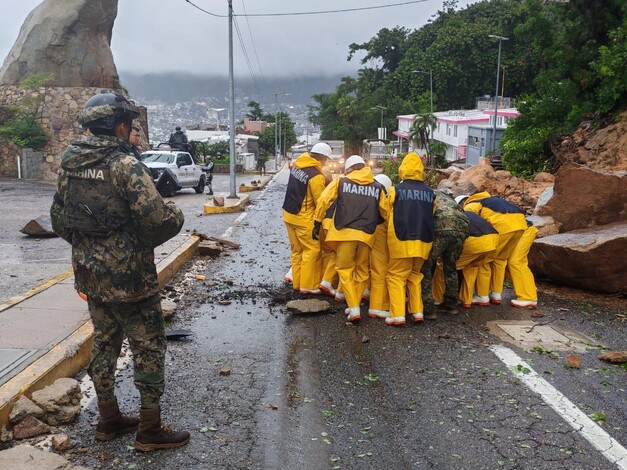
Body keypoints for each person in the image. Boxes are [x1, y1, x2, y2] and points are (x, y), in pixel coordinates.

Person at [50, 92, 190, 452]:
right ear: (118, 126)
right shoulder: (125, 166)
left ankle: (109, 418)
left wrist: (91, 248)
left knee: (104, 342)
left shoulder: (71, 164)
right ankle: (150, 429)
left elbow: (60, 220)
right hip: (131, 281)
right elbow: (157, 222)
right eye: (129, 125)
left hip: (91, 277)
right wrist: (175, 215)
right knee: (148, 346)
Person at [313, 155, 388, 322]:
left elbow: (324, 199)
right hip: (367, 235)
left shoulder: (341, 182)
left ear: (349, 169)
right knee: (362, 271)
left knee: (345, 269)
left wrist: (317, 222)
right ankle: (354, 304)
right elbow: (386, 212)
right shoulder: (377, 187)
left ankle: (354, 308)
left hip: (345, 233)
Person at [385, 152, 436, 326]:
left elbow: (385, 213)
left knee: (396, 276)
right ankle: (417, 312)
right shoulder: (430, 193)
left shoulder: (395, 190)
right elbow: (433, 213)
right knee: (415, 276)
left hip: (401, 240)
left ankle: (398, 315)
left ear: (402, 169)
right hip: (424, 242)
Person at [458, 192, 527, 306]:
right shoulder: (491, 200)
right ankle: (496, 293)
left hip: (501, 226)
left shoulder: (471, 204)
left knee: (484, 260)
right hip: (521, 225)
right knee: (500, 260)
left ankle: (482, 295)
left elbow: (470, 222)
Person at [282, 142, 332, 294]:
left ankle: (297, 283)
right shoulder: (316, 176)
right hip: (303, 218)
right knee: (312, 251)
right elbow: (320, 202)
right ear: (322, 158)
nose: (326, 162)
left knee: (297, 251)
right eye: (326, 159)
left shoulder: (298, 164)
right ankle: (308, 286)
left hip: (288, 214)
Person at [433, 210, 499, 308]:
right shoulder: (466, 213)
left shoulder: (444, 216)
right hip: (494, 239)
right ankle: (472, 298)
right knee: (472, 266)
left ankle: (437, 299)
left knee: (443, 266)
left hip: (474, 240)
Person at [420, 190, 469, 319]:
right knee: (451, 267)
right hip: (461, 229)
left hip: (440, 228)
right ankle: (451, 305)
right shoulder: (448, 198)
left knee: (425, 266)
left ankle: (428, 308)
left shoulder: (427, 195)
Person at [367, 174, 393, 319]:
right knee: (379, 270)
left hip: (359, 234)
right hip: (378, 235)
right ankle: (376, 307)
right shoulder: (383, 198)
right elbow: (388, 218)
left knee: (359, 268)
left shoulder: (363, 191)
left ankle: (354, 301)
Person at [507, 220, 539, 308]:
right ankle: (529, 287)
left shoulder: (474, 206)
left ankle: (528, 298)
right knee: (503, 261)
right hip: (517, 232)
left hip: (525, 231)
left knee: (515, 262)